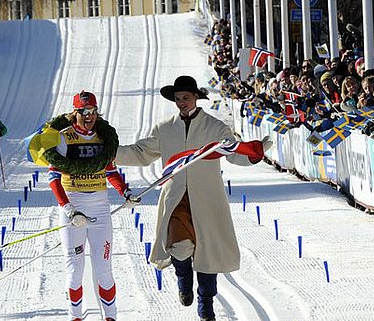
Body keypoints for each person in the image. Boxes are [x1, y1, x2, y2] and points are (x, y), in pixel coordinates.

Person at [114, 76, 270, 321]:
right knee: (180, 247)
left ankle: (205, 303)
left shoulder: (215, 127)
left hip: (208, 199)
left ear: (196, 97)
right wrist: (110, 153)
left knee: (208, 257)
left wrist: (253, 155)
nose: (181, 103)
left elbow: (233, 153)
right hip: (176, 198)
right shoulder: (164, 128)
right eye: (177, 99)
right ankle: (183, 277)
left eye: (185, 98)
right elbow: (140, 153)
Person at [45, 91, 139, 321]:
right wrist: (68, 209)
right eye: (84, 112)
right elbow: (53, 178)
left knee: (104, 269)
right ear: (74, 113)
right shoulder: (64, 137)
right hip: (73, 206)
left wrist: (125, 193)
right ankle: (75, 316)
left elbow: (110, 170)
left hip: (99, 208)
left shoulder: (103, 138)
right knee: (75, 270)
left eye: (93, 111)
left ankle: (111, 317)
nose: (89, 116)